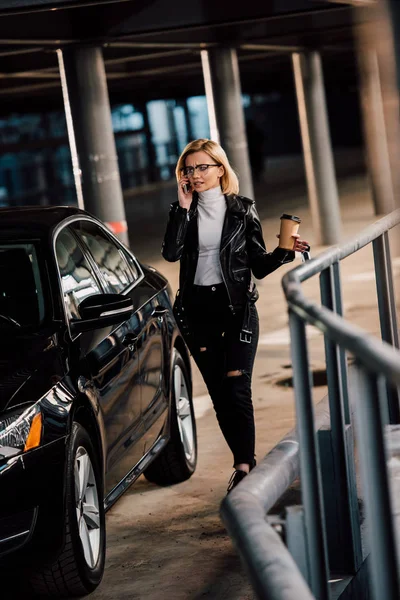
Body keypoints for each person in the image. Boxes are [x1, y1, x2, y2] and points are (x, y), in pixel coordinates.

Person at [162, 138, 309, 494]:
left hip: (236, 311)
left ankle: (244, 466)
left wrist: (285, 251)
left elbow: (257, 265)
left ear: (220, 169)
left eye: (202, 167)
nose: (195, 175)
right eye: (189, 169)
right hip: (196, 313)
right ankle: (241, 461)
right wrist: (182, 209)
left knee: (236, 388)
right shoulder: (184, 210)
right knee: (218, 395)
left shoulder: (243, 210)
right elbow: (170, 253)